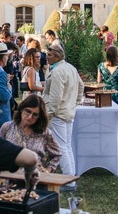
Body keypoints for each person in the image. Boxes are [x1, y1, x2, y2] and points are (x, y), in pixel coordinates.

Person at [42, 43, 83, 181]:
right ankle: (71, 175)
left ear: (57, 56)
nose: (46, 57)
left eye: (49, 55)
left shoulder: (58, 71)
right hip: (67, 111)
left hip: (58, 113)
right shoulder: (70, 68)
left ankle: (68, 179)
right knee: (67, 145)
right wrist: (75, 102)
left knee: (61, 147)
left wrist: (49, 114)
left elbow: (55, 97)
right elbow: (81, 86)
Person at [0, 94, 61, 172]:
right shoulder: (7, 127)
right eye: (28, 111)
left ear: (39, 117)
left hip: (33, 177)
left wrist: (47, 170)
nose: (30, 117)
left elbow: (57, 154)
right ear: (22, 109)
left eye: (35, 115)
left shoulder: (44, 133)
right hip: (9, 176)